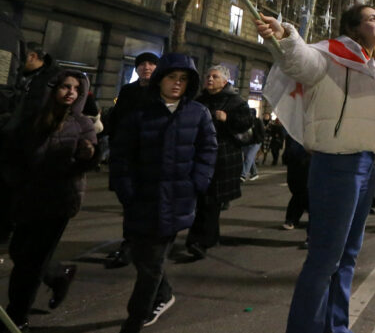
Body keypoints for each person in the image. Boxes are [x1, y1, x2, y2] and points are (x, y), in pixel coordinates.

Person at [257, 2, 375, 333]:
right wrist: (283, 36)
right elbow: (298, 60)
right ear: (352, 27)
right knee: (324, 260)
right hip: (336, 165)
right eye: (371, 19)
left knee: (348, 257)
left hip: (366, 163)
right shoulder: (327, 56)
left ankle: (336, 327)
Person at [109, 53, 217, 333]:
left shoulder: (198, 113)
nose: (177, 84)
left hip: (176, 199)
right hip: (141, 198)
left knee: (151, 263)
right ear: (160, 79)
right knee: (142, 256)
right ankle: (164, 293)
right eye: (172, 77)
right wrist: (126, 190)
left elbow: (208, 149)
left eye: (183, 79)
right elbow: (122, 155)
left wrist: (198, 182)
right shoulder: (140, 113)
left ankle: (135, 320)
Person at [3, 70, 98, 328]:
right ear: (53, 89)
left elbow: (89, 159)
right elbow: (15, 155)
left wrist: (87, 153)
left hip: (59, 201)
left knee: (31, 263)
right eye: (66, 86)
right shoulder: (33, 119)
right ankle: (58, 275)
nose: (71, 92)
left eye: (76, 89)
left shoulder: (82, 124)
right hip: (28, 197)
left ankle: (17, 316)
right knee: (19, 252)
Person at [185, 65, 252, 259]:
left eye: (214, 76)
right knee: (205, 200)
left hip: (223, 158)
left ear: (224, 81)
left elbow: (247, 124)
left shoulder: (236, 102)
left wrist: (227, 118)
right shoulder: (200, 100)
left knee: (210, 200)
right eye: (208, 76)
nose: (210, 79)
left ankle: (198, 241)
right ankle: (210, 237)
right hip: (200, 155)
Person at [101, 52, 160, 269]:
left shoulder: (163, 91)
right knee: (130, 202)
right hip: (128, 155)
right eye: (142, 64)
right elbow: (116, 120)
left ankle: (144, 245)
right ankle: (130, 244)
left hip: (152, 157)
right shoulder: (128, 91)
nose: (146, 67)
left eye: (151, 63)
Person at [1, 43, 59, 249]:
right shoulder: (20, 77)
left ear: (33, 57)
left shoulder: (52, 79)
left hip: (30, 146)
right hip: (12, 142)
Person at [281, 133, 311, 234]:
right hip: (297, 163)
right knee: (300, 192)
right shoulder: (293, 132)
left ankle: (292, 219)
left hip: (307, 162)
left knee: (304, 193)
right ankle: (292, 219)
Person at [242, 108, 266, 180]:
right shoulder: (245, 121)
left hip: (256, 143)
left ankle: (243, 175)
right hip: (247, 142)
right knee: (249, 158)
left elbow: (262, 132)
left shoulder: (258, 121)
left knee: (249, 157)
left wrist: (260, 140)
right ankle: (254, 173)